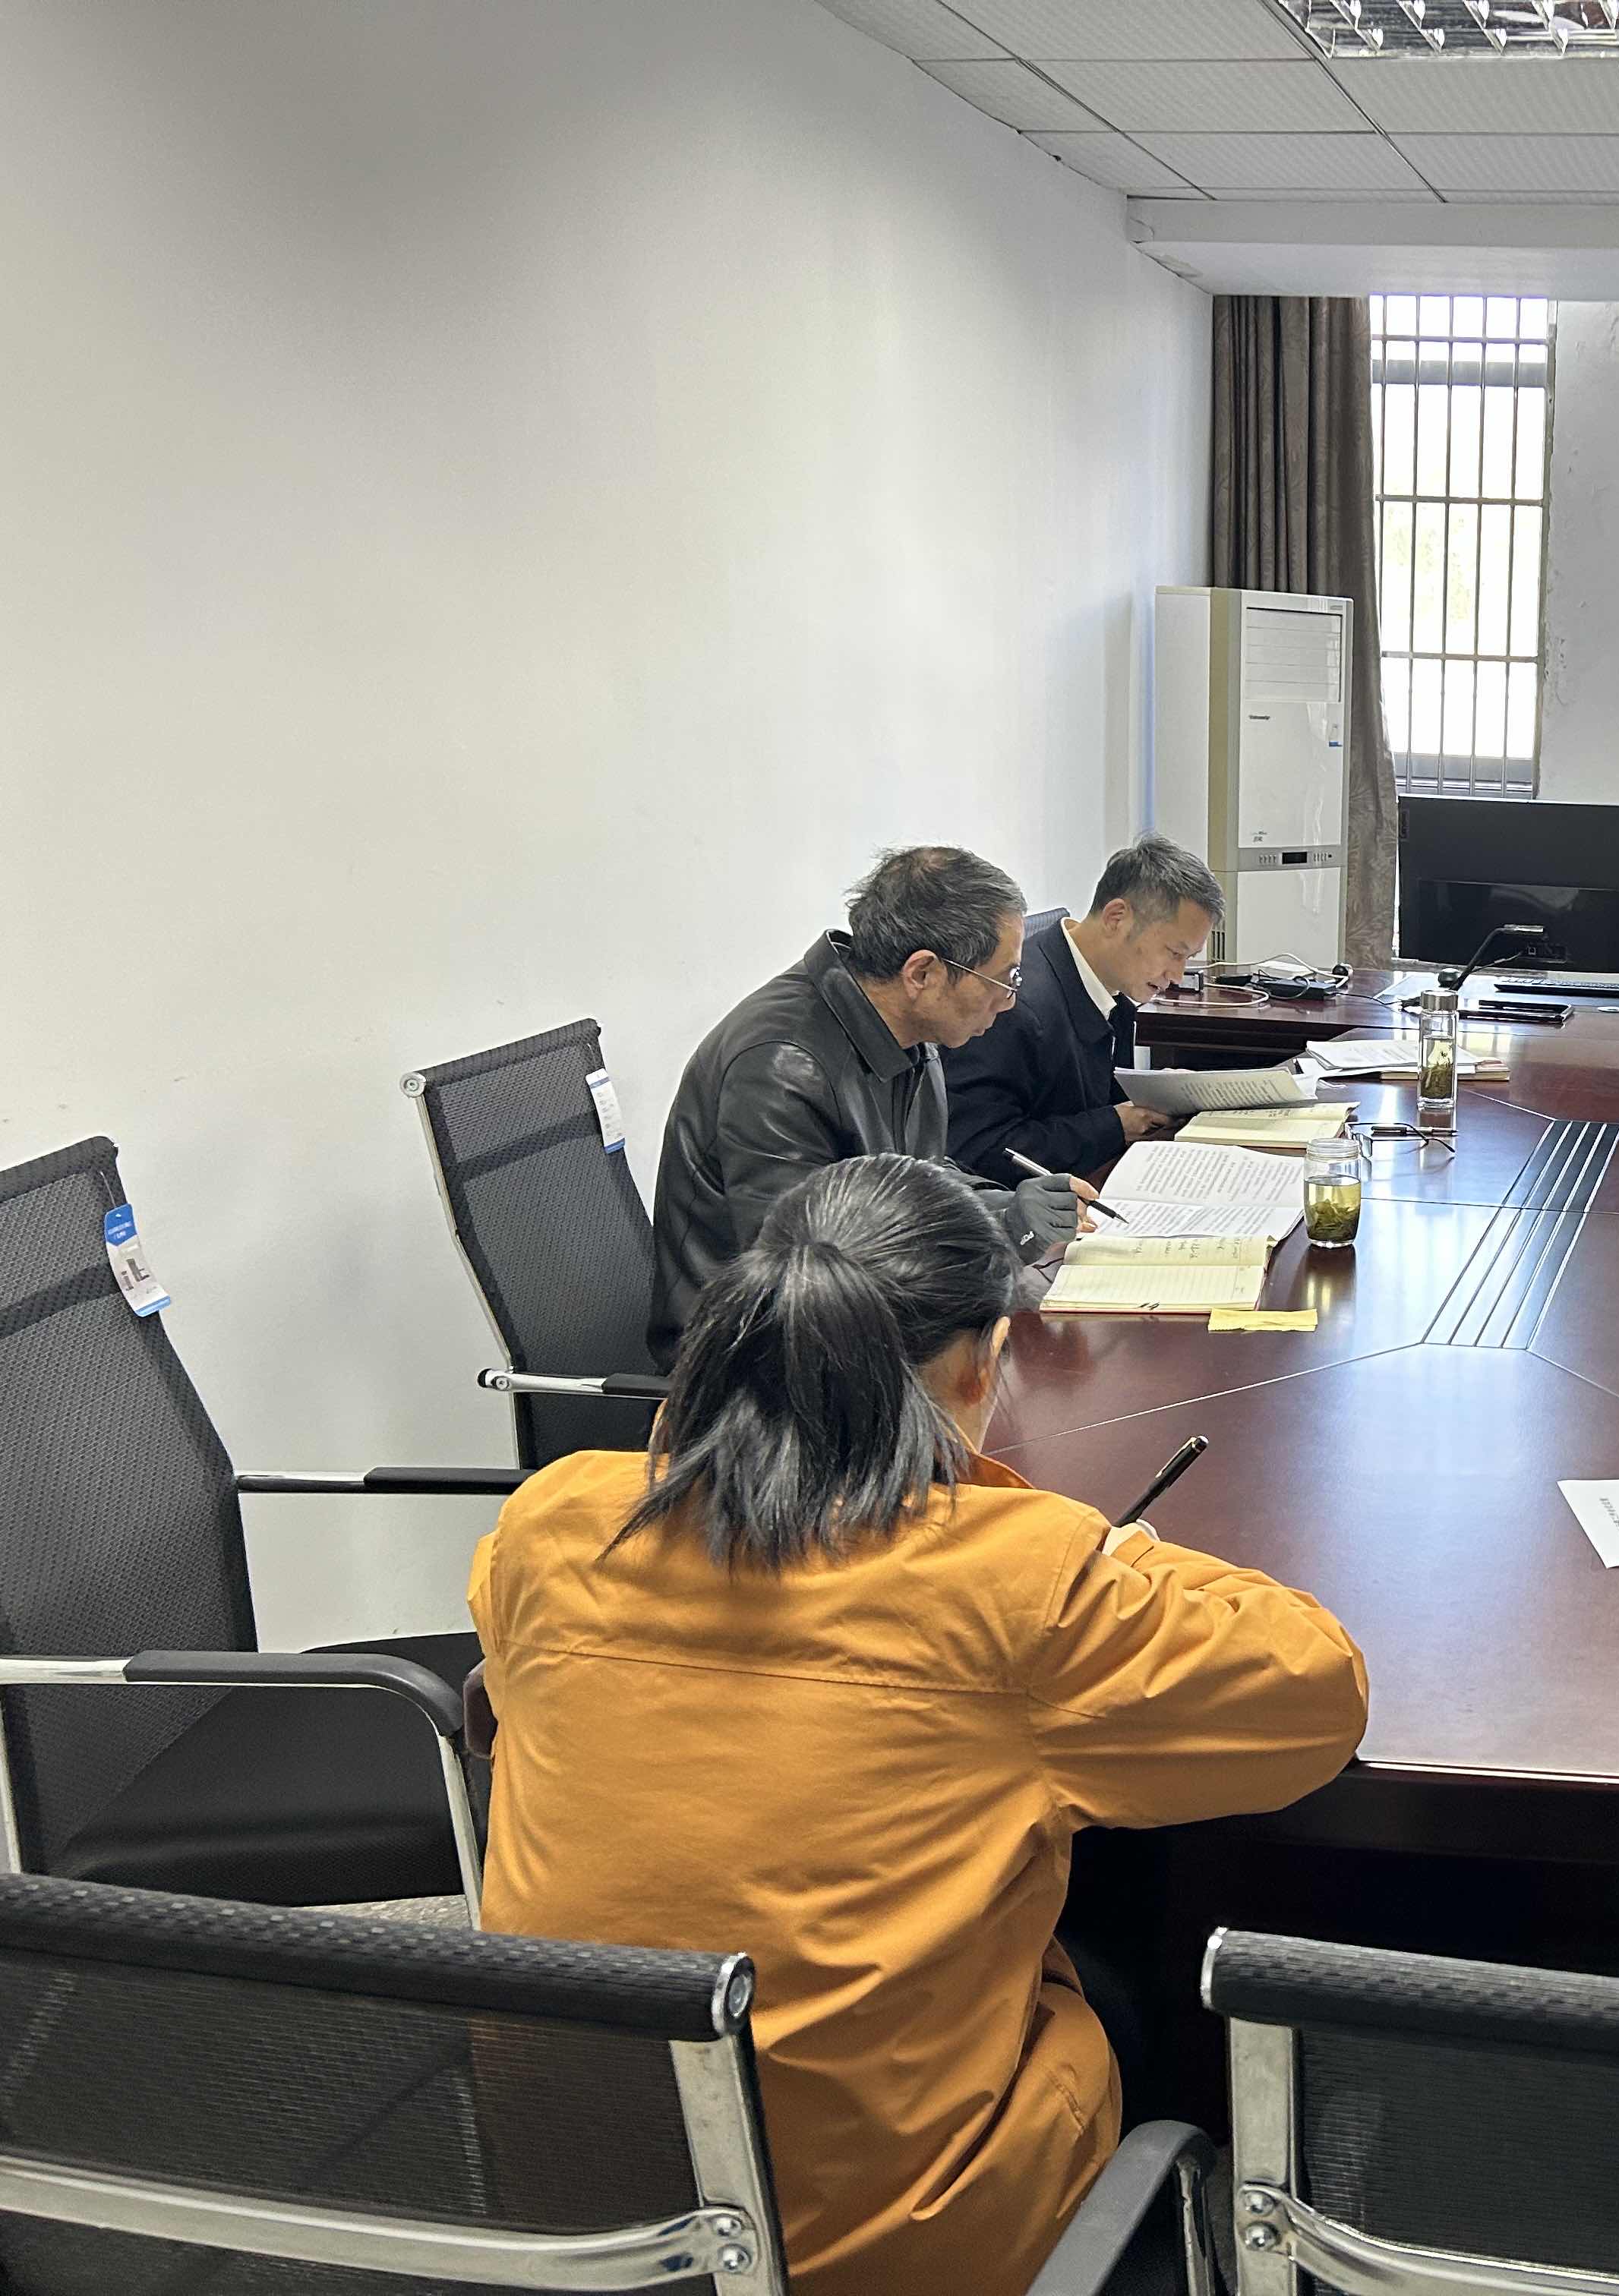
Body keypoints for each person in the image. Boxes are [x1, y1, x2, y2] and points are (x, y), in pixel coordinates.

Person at [472, 1156, 1368, 2293]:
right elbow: (1318, 1693)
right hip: (884, 2244)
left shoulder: (550, 1521)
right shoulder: (1018, 1580)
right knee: (1135, 1966)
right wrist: (1104, 1553)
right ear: (983, 1359)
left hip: (577, 2214)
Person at [647, 846, 1087, 1364]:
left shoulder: (909, 1028)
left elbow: (919, 1175)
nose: (1009, 1002)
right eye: (1003, 981)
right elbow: (801, 1273)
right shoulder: (782, 1067)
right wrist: (1000, 1229)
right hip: (753, 1356)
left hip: (863, 1325)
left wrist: (1006, 1206)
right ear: (923, 973)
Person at [946, 837, 1223, 1182]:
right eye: (1174, 953)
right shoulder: (1012, 1006)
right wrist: (1114, 1126)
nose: (1179, 975)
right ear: (1116, 917)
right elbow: (978, 1151)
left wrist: (1159, 1095)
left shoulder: (1114, 992)